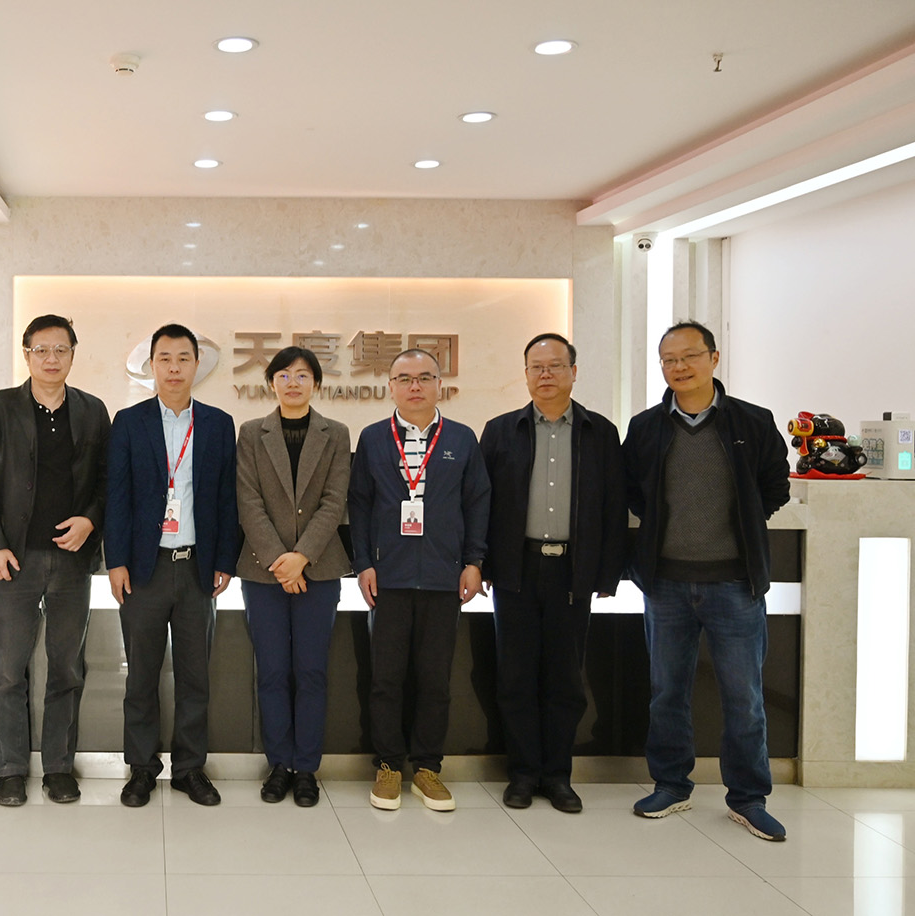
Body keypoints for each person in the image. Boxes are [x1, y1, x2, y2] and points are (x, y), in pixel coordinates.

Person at [624, 320, 791, 842]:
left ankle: (748, 797)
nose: (680, 367)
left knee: (744, 697)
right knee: (667, 693)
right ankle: (671, 784)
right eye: (669, 360)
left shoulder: (753, 421)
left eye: (690, 356)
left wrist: (740, 525)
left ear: (714, 359)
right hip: (666, 584)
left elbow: (775, 486)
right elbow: (634, 492)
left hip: (735, 584)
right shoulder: (646, 427)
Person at [479, 333, 625, 814]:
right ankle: (523, 774)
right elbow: (481, 503)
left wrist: (606, 574)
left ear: (573, 372)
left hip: (572, 570)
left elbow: (613, 507)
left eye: (555, 366)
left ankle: (558, 776)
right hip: (516, 568)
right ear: (525, 375)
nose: (545, 375)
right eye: (536, 367)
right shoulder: (501, 431)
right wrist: (482, 562)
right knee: (516, 677)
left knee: (565, 679)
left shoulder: (600, 432)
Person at [0, 315, 111, 807]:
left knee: (67, 667)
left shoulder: (92, 410)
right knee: (9, 670)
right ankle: (10, 770)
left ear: (73, 354)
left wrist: (90, 520)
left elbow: (106, 481)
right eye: (41, 350)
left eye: (61, 350)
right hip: (16, 559)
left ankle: (58, 768)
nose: (52, 359)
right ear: (26, 353)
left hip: (72, 561)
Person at [348, 348, 490, 811]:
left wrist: (474, 561)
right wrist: (363, 563)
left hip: (443, 578)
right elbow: (360, 504)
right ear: (390, 386)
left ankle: (427, 767)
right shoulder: (373, 438)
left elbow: (477, 502)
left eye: (425, 377)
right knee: (386, 679)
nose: (415, 386)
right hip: (387, 578)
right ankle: (389, 765)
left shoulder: (462, 438)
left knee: (435, 680)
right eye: (405, 378)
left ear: (439, 385)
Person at [105, 323, 239, 807]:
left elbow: (226, 497)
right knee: (141, 675)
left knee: (194, 677)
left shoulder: (218, 424)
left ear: (197, 365)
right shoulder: (129, 421)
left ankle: (189, 769)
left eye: (184, 358)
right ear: (152, 365)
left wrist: (224, 559)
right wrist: (116, 561)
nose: (175, 368)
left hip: (197, 566)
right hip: (145, 569)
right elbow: (116, 496)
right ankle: (141, 769)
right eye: (165, 358)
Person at [235, 347, 352, 807]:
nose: (293, 383)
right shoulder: (251, 433)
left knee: (311, 671)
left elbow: (335, 501)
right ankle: (279, 764)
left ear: (316, 384)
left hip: (319, 571)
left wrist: (301, 557)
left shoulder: (336, 433)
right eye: (283, 375)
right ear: (271, 383)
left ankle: (306, 768)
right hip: (262, 572)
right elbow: (248, 502)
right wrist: (279, 560)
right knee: (272, 672)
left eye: (302, 375)